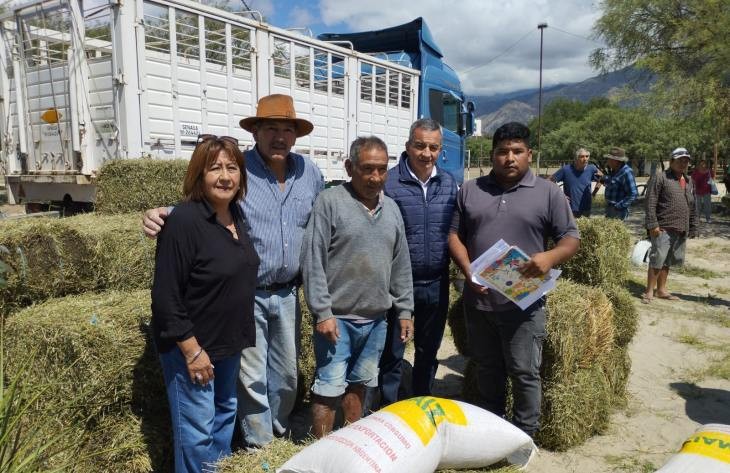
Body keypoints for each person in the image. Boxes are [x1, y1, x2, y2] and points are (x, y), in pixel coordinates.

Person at [143, 94, 324, 449]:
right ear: (255, 131)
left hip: (288, 293)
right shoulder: (240, 169)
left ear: (297, 136)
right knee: (251, 378)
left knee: (287, 376)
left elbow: (326, 217)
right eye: (270, 128)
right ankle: (259, 449)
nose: (280, 137)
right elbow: (203, 203)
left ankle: (279, 431)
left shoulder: (310, 173)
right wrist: (157, 213)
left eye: (287, 129)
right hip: (247, 295)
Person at [448, 122, 579, 438]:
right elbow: (454, 234)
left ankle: (524, 435)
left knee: (523, 372)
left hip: (525, 302)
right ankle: (493, 430)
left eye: (517, 151)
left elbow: (571, 238)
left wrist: (549, 258)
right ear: (492, 155)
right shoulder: (470, 189)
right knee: (487, 367)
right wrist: (468, 270)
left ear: (529, 154)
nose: (510, 158)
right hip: (479, 302)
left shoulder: (548, 193)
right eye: (502, 152)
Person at [151, 135, 259, 472]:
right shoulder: (183, 221)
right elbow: (165, 296)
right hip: (195, 348)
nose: (225, 176)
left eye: (232, 168)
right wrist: (192, 351)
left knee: (224, 416)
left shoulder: (235, 215)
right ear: (199, 175)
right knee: (196, 433)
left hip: (228, 344)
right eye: (215, 168)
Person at [300, 136, 414, 438]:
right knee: (329, 387)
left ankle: (350, 442)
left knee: (362, 383)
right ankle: (321, 449)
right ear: (350, 167)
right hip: (337, 319)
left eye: (381, 169)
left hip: (376, 321)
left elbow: (400, 264)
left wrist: (405, 310)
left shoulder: (391, 209)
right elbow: (313, 261)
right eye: (367, 169)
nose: (375, 178)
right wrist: (322, 312)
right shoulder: (330, 202)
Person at [377, 118, 458, 407]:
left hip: (436, 283)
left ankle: (421, 404)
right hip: (398, 285)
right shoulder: (388, 182)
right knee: (393, 352)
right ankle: (389, 408)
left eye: (433, 147)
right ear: (408, 146)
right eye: (420, 145)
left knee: (428, 351)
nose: (426, 153)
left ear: (440, 150)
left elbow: (456, 231)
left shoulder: (448, 183)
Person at [642, 147, 699, 304]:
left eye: (686, 161)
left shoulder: (688, 181)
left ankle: (661, 290)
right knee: (657, 258)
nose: (683, 163)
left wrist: (693, 226)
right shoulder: (660, 178)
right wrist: (652, 224)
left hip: (680, 228)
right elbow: (651, 201)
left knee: (668, 260)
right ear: (671, 161)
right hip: (662, 227)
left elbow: (692, 205)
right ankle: (649, 291)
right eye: (680, 160)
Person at [549, 147, 603, 218]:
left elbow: (602, 178)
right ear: (576, 158)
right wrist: (560, 195)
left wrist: (594, 193)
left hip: (586, 207)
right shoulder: (566, 169)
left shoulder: (592, 168)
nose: (585, 159)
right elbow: (549, 181)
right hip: (570, 208)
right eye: (582, 157)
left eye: (587, 156)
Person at [602, 147, 638, 220]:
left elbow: (633, 194)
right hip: (610, 208)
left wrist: (618, 206)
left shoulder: (626, 172)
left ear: (616, 161)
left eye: (610, 159)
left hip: (619, 211)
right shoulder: (614, 171)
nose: (608, 162)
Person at [690, 159, 714, 223]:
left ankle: (708, 218)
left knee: (707, 205)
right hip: (697, 190)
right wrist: (694, 184)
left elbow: (712, 178)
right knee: (698, 205)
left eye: (704, 164)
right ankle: (697, 218)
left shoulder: (709, 171)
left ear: (706, 164)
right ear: (699, 165)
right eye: (701, 164)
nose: (703, 165)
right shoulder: (696, 171)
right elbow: (692, 179)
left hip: (707, 190)